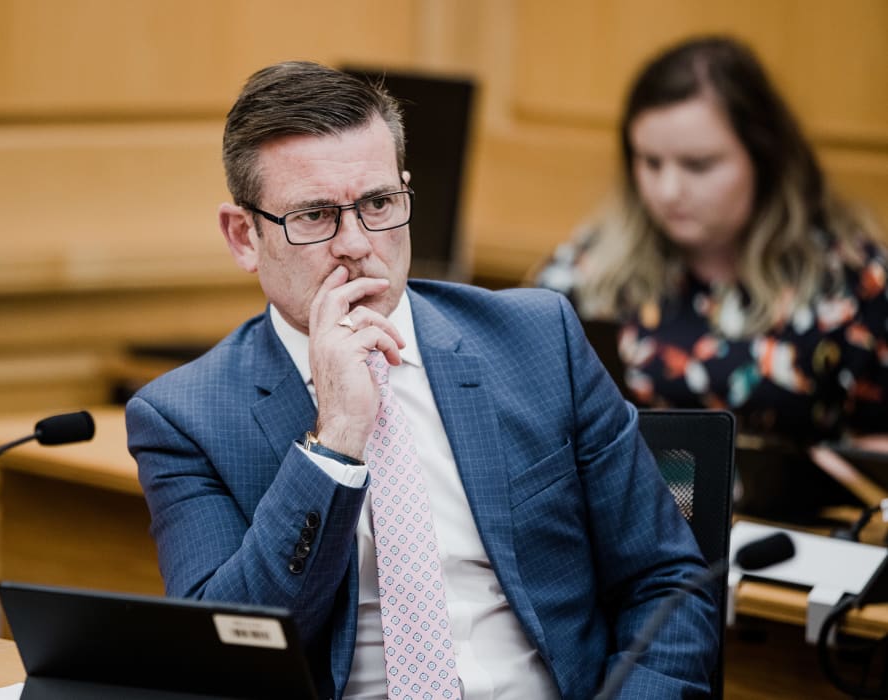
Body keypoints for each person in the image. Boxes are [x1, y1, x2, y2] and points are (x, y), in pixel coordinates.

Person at [127, 60, 717, 700]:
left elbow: (668, 585)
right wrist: (335, 442)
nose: (355, 243)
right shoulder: (183, 417)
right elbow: (226, 657)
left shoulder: (537, 340)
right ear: (244, 236)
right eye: (316, 215)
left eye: (378, 203)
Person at [534, 36, 888, 518]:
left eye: (698, 165)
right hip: (623, 535)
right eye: (650, 162)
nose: (668, 190)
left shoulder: (851, 279)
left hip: (793, 548)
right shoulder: (585, 271)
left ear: (762, 156)